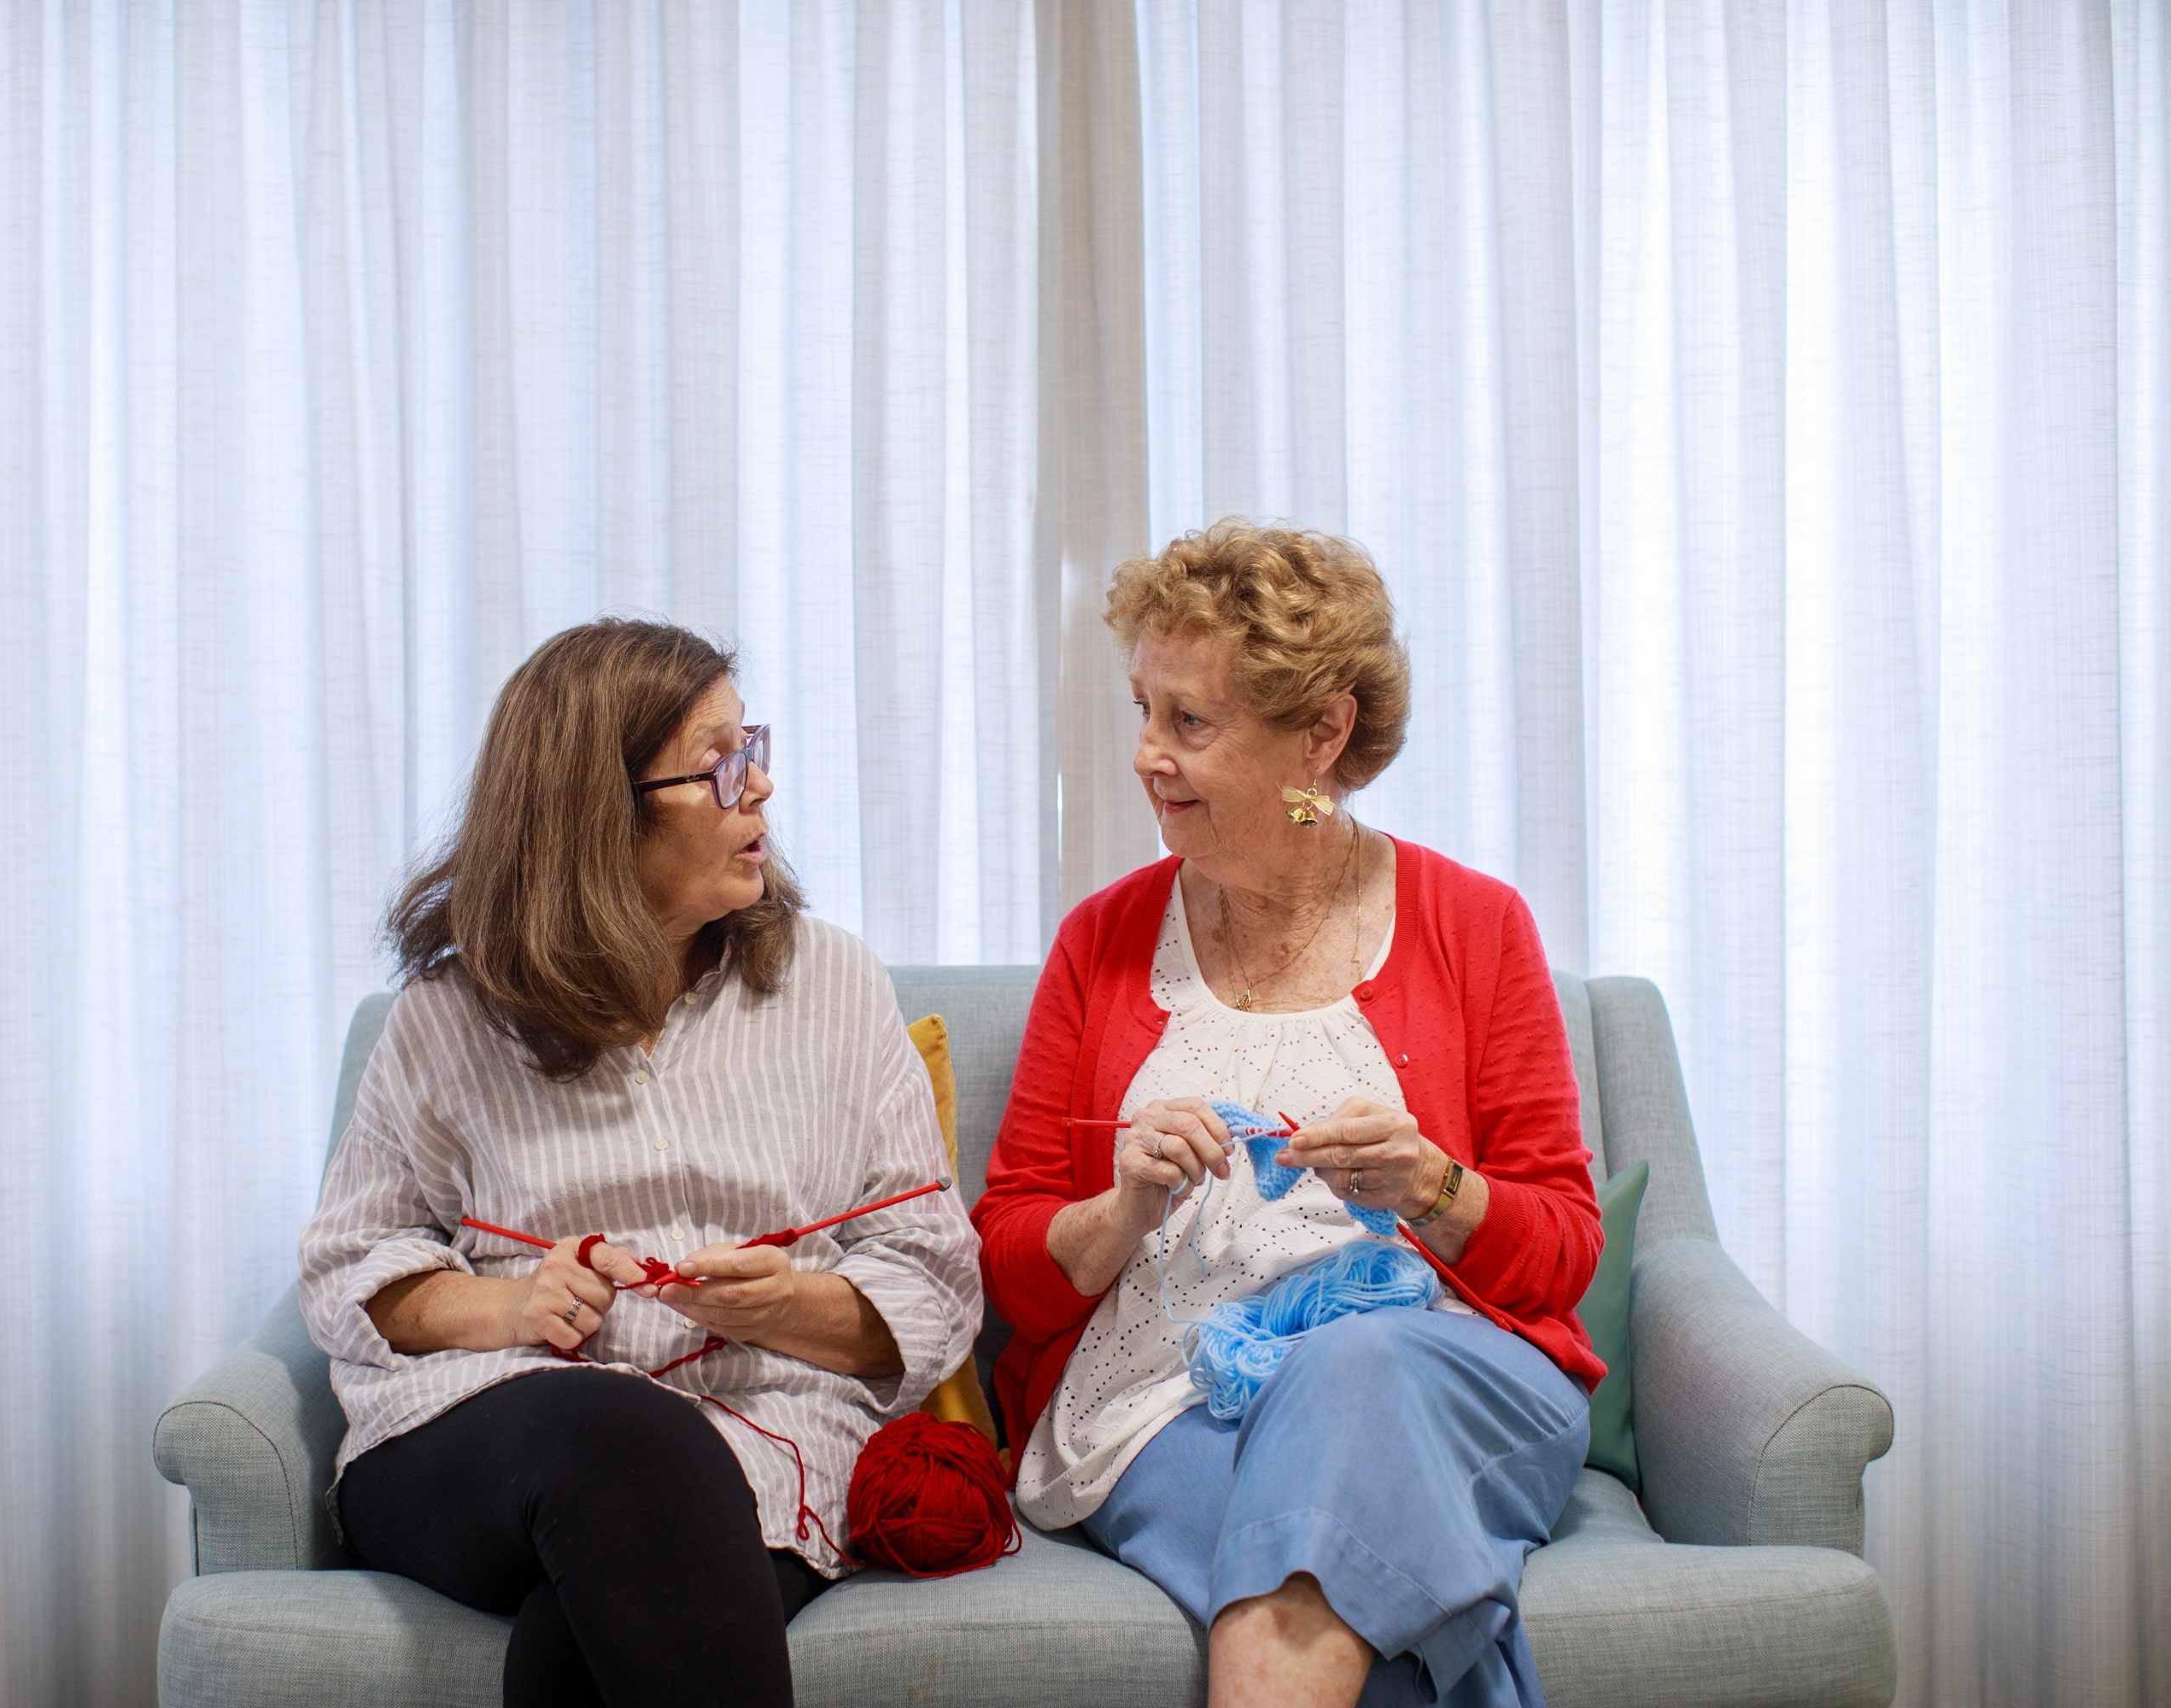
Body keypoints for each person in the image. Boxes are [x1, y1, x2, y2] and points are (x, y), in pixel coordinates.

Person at [973, 522, 1603, 1708]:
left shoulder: (1477, 927)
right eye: (1143, 710)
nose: (1148, 755)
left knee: (1348, 1369)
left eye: (1191, 723)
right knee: (1363, 1593)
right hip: (1163, 1399)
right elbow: (1007, 1257)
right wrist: (1121, 1209)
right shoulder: (1101, 943)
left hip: (1440, 1373)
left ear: (1321, 734)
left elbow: (1564, 1250)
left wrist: (1433, 1185)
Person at [301, 618, 980, 1708]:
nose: (759, 786)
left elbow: (934, 1270)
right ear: (598, 811)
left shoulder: (837, 988)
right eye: (721, 763)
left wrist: (789, 1306)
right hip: (483, 1437)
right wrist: (509, 1307)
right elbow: (350, 1267)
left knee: (585, 1630)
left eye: (750, 747)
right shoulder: (447, 1017)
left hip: (760, 1440)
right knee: (624, 1433)